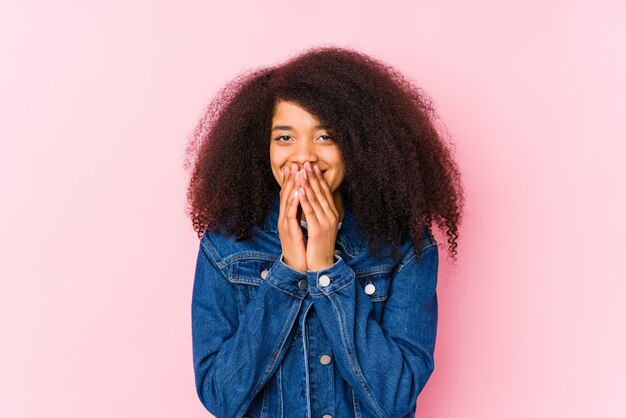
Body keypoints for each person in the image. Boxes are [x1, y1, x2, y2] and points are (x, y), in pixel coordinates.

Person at [184, 46, 464, 418]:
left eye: (324, 137)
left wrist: (325, 270)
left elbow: (396, 396)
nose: (303, 156)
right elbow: (220, 395)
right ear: (260, 146)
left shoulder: (405, 247)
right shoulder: (225, 245)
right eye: (285, 138)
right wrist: (288, 274)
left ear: (359, 146)